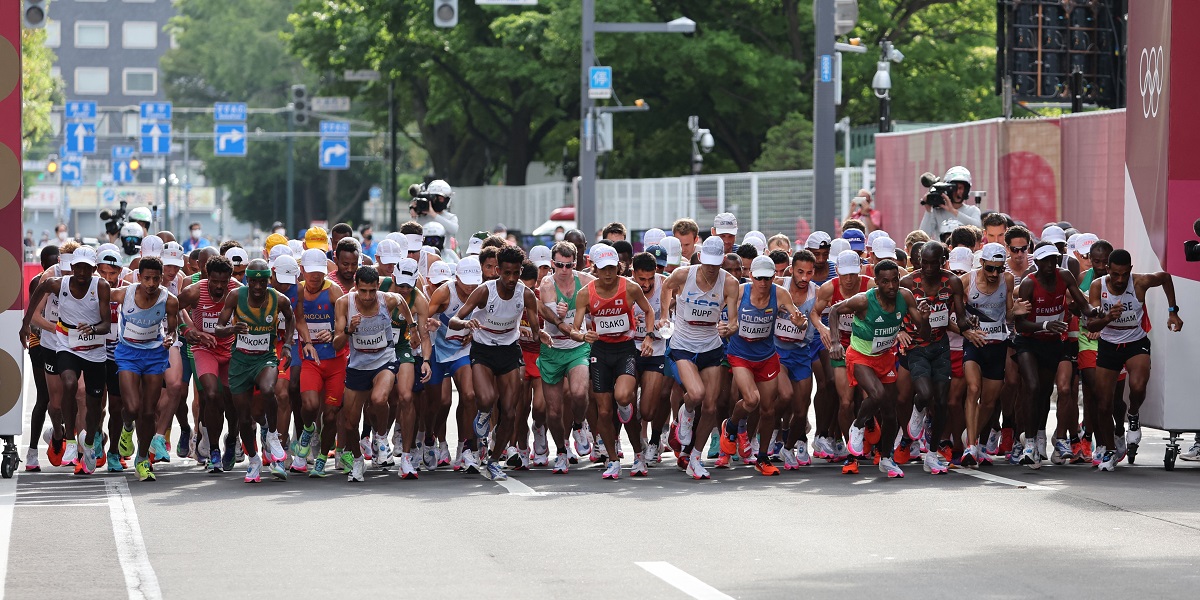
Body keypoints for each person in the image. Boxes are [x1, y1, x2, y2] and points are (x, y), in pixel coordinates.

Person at [829, 260, 930, 479]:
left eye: (895, 280)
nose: (892, 286)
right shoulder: (864, 300)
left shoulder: (905, 296)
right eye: (885, 282)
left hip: (885, 356)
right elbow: (835, 310)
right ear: (877, 283)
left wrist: (924, 316)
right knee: (877, 394)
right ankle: (858, 426)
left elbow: (923, 329)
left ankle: (886, 458)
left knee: (889, 411)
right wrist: (836, 342)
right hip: (860, 355)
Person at [448, 246, 542, 482]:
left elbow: (536, 325)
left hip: (509, 351)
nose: (511, 279)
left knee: (510, 412)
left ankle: (494, 460)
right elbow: (455, 318)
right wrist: (466, 324)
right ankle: (482, 414)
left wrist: (541, 335)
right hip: (483, 350)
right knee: (487, 399)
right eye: (507, 273)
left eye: (516, 273)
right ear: (498, 270)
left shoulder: (525, 294)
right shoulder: (484, 291)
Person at [1085, 249, 1182, 471]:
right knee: (1103, 402)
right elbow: (1091, 325)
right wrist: (1108, 317)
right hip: (1109, 344)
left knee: (1138, 386)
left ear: (1130, 270)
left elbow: (1165, 278)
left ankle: (1134, 414)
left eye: (1124, 274)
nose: (1120, 280)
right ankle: (1110, 450)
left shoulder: (1139, 282)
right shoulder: (1098, 287)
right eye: (1115, 274)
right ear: (1108, 270)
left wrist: (1173, 311)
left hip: (1135, 341)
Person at [23, 246, 112, 474]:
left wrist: (92, 328)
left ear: (94, 269)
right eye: (78, 267)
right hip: (66, 344)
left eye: (87, 268)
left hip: (93, 350)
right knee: (69, 384)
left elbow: (105, 325)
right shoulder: (57, 283)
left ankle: (90, 443)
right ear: (72, 268)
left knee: (93, 405)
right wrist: (26, 324)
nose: (82, 272)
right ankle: (70, 443)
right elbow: (39, 289)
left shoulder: (101, 286)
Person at [569, 244, 655, 479]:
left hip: (625, 349)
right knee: (604, 412)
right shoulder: (586, 293)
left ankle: (639, 454)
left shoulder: (630, 287)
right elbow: (574, 329)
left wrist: (648, 336)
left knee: (623, 397)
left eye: (612, 268)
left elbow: (649, 312)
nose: (608, 273)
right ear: (595, 268)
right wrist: (582, 335)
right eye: (603, 268)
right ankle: (613, 460)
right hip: (600, 351)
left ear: (618, 266)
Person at [1012, 243, 1101, 469]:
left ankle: (1040, 436)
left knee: (1043, 392)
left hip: (1052, 342)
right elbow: (1020, 324)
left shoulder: (1065, 276)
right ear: (1037, 263)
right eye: (1046, 261)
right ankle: (1029, 443)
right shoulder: (1028, 284)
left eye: (1054, 259)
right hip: (1029, 341)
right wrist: (1044, 324)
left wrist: (1098, 311)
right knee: (1031, 387)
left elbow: (1083, 306)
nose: (1051, 265)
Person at [719, 255, 808, 476]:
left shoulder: (779, 294)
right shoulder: (740, 293)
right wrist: (724, 326)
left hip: (766, 355)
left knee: (768, 410)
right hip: (740, 354)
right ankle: (730, 425)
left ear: (774, 277)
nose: (763, 283)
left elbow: (798, 316)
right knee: (752, 399)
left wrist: (801, 322)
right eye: (758, 278)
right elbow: (717, 312)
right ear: (751, 276)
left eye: (767, 278)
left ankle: (762, 458)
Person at [661, 236, 740, 480]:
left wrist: (730, 327)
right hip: (683, 345)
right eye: (707, 263)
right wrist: (665, 315)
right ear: (700, 257)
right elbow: (665, 287)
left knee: (711, 406)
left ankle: (695, 456)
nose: (711, 268)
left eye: (716, 264)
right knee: (695, 394)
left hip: (711, 347)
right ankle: (685, 413)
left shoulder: (730, 283)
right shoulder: (684, 275)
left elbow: (734, 321)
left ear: (723, 261)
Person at [333, 265, 409, 482]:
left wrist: (411, 328)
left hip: (384, 359)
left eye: (371, 291)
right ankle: (357, 461)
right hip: (358, 365)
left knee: (379, 399)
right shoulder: (344, 303)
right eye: (363, 291)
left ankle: (381, 437)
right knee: (350, 422)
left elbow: (403, 302)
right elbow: (337, 344)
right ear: (355, 287)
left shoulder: (388, 300)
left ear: (378, 287)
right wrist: (349, 329)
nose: (367, 296)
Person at [536, 242, 596, 474]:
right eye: (559, 265)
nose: (564, 270)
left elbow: (603, 300)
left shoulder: (586, 281)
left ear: (575, 263)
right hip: (552, 349)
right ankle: (561, 450)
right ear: (553, 264)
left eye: (569, 265)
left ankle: (579, 425)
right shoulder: (547, 284)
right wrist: (559, 317)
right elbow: (554, 322)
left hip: (577, 347)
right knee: (553, 411)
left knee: (580, 393)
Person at [919, 166, 982, 239]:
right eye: (954, 188)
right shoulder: (937, 211)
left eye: (961, 188)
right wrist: (928, 211)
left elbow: (977, 228)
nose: (958, 192)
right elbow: (923, 236)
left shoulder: (973, 210)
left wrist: (952, 211)